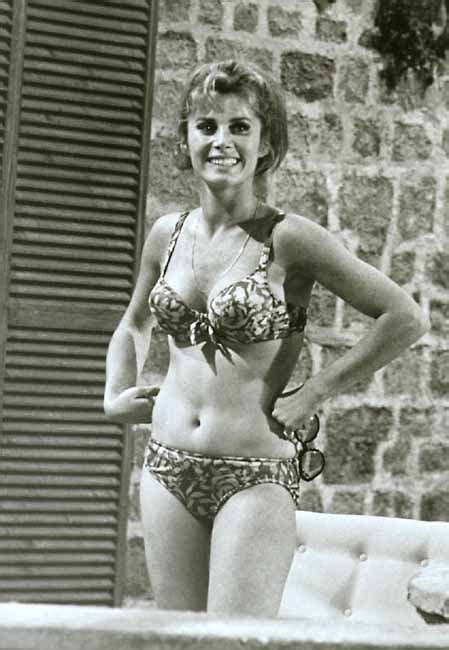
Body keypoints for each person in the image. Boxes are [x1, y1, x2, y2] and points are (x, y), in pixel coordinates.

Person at [104, 60, 429, 617]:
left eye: (239, 127)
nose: (221, 141)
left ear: (266, 143)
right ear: (186, 138)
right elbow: (135, 323)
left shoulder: (291, 238)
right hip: (165, 467)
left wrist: (315, 392)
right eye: (206, 126)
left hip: (253, 476)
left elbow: (404, 317)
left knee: (235, 645)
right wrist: (115, 395)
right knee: (178, 643)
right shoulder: (166, 234)